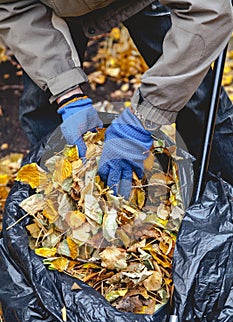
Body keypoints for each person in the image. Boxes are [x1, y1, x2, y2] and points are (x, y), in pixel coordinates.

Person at [0, 0, 232, 198]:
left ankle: (224, 200)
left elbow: (208, 11)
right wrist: (67, 95)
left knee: (198, 98)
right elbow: (12, 6)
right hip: (51, 7)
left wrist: (144, 119)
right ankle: (58, 204)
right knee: (43, 106)